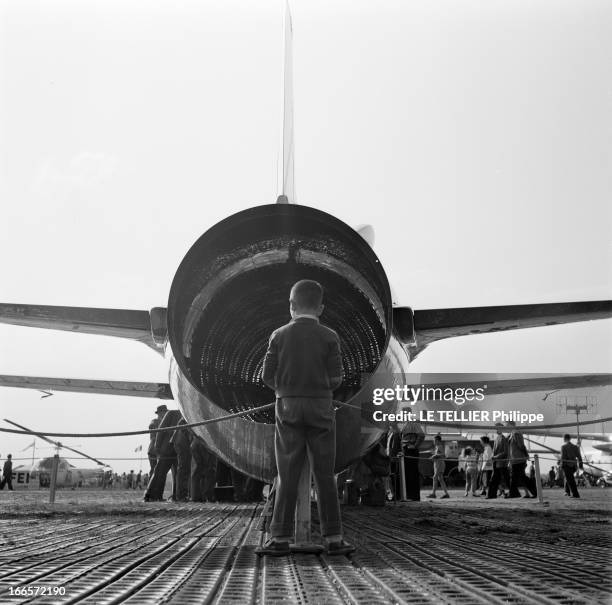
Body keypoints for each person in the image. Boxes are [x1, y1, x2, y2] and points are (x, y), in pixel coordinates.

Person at [255, 279, 354, 556]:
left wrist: (285, 389)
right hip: (321, 407)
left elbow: (265, 376)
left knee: (287, 474)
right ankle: (333, 538)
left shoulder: (278, 335)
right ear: (320, 308)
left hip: (287, 406)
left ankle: (280, 539)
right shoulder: (330, 337)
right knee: (325, 475)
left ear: (291, 306)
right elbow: (337, 378)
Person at [144, 409, 182, 501]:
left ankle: (174, 495)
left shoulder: (174, 413)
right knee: (160, 472)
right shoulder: (173, 414)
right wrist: (157, 447)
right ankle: (151, 495)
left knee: (171, 473)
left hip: (175, 450)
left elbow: (161, 430)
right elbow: (160, 431)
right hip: (170, 449)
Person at [506, 421, 536, 498]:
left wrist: (526, 455)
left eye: (507, 425)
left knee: (515, 477)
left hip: (519, 459)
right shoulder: (511, 435)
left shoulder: (516, 433)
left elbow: (521, 446)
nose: (506, 427)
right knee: (521, 477)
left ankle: (513, 493)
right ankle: (531, 492)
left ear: (511, 425)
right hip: (515, 460)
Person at [190, 433, 218, 502]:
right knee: (210, 473)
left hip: (197, 443)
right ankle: (208, 496)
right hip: (204, 444)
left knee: (198, 474)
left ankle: (197, 497)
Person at [486, 424, 510, 499]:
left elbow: (505, 452)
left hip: (502, 463)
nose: (496, 430)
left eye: (497, 428)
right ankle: (491, 495)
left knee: (506, 479)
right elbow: (494, 451)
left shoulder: (503, 439)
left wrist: (495, 457)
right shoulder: (496, 439)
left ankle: (511, 492)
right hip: (496, 463)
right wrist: (492, 457)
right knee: (494, 480)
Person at [170, 418, 192, 501]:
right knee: (183, 472)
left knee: (182, 472)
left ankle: (181, 495)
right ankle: (181, 495)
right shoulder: (186, 419)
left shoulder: (183, 419)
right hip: (183, 448)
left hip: (181, 446)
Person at [560, 434, 583, 498]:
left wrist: (561, 466)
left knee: (570, 480)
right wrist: (581, 466)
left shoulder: (563, 447)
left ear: (565, 438)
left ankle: (575, 494)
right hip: (573, 466)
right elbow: (579, 457)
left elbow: (563, 457)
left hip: (567, 465)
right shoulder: (575, 447)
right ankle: (567, 492)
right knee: (569, 479)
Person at [427, 435, 450, 499]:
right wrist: (434, 454)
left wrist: (434, 456)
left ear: (438, 440)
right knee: (440, 479)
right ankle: (446, 494)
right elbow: (438, 454)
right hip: (437, 464)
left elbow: (443, 455)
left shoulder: (440, 446)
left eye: (434, 440)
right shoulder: (437, 447)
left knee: (435, 477)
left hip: (439, 464)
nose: (433, 441)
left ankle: (433, 494)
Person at [148, 405, 168, 474]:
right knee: (154, 470)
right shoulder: (155, 421)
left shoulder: (167, 423)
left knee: (160, 471)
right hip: (154, 450)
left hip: (162, 450)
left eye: (166, 412)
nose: (165, 414)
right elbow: (151, 425)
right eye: (164, 412)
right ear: (159, 413)